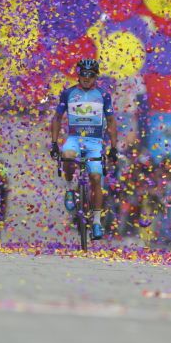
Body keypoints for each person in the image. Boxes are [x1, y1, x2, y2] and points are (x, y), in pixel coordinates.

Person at [49, 58, 118, 240]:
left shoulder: (103, 95)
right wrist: (54, 143)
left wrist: (114, 147)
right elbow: (56, 118)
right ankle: (70, 188)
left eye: (91, 75)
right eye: (83, 74)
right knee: (68, 155)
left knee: (96, 177)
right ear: (78, 75)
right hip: (74, 138)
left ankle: (96, 222)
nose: (87, 78)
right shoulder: (68, 93)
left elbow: (111, 121)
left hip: (95, 141)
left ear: (96, 76)